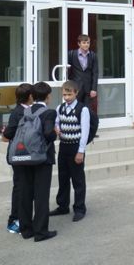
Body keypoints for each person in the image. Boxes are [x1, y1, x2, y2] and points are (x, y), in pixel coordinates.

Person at [3, 81, 58, 242]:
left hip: (23, 156)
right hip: (41, 159)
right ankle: (41, 232)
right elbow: (48, 134)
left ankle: (26, 230)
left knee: (25, 193)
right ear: (48, 96)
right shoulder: (49, 113)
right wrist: (55, 132)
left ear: (32, 96)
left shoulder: (24, 111)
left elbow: (11, 133)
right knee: (41, 195)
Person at [50, 80, 90, 222]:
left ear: (76, 93)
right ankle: (63, 206)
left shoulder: (82, 109)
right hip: (63, 146)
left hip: (75, 147)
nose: (66, 97)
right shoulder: (60, 108)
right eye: (64, 95)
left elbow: (85, 132)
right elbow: (56, 122)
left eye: (69, 94)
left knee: (78, 179)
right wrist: (56, 128)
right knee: (63, 177)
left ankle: (79, 208)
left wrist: (81, 151)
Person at [3, 83, 34, 234]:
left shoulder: (26, 110)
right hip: (19, 155)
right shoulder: (18, 112)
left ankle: (22, 218)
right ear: (29, 96)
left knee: (24, 187)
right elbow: (9, 133)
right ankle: (14, 220)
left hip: (25, 155)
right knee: (20, 188)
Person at [67, 34, 99, 109]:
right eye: (84, 43)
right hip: (75, 88)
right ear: (79, 43)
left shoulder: (93, 55)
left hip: (88, 88)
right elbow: (67, 69)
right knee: (75, 108)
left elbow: (95, 73)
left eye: (88, 43)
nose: (86, 45)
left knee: (86, 109)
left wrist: (94, 89)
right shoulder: (71, 54)